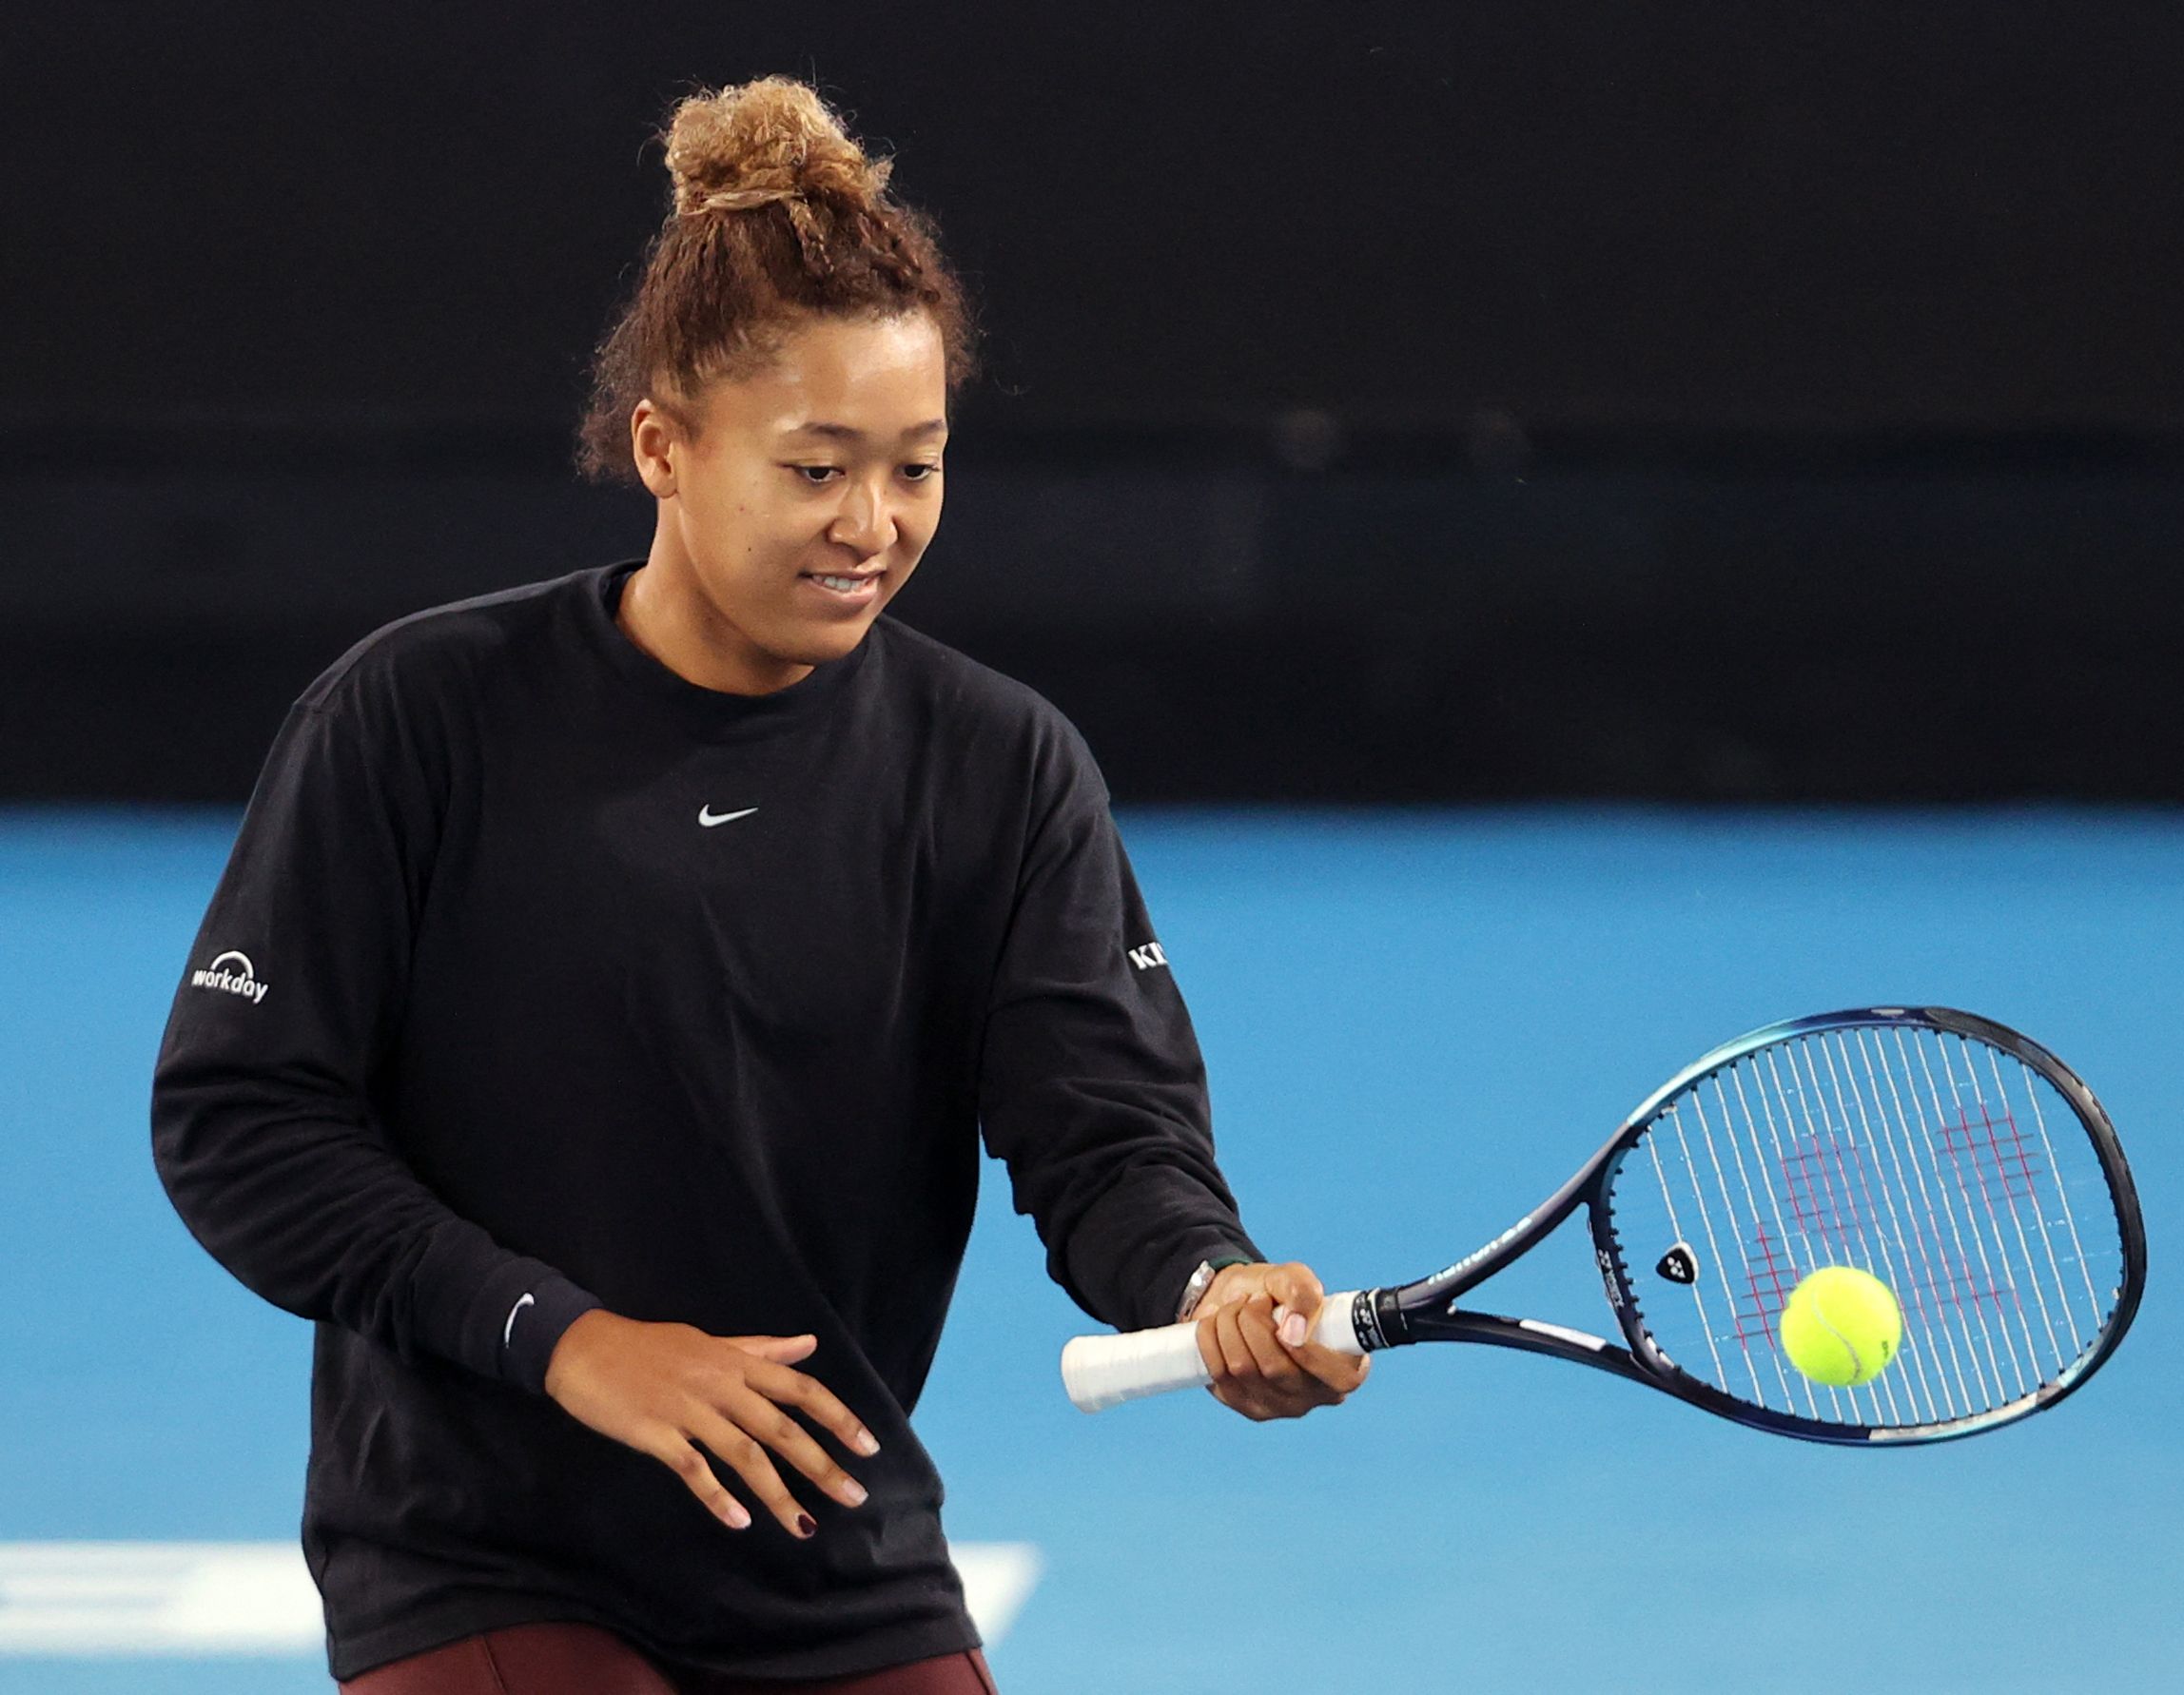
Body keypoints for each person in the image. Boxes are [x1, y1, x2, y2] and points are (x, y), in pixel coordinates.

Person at [150, 75, 1367, 1695]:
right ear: (662, 444)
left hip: (830, 1544)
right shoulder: (414, 718)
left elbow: (1103, 1133)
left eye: (917, 467)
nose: (873, 524)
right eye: (815, 470)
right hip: (477, 1547)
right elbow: (242, 1120)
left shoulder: (999, 768)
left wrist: (1210, 1279)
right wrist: (570, 1342)